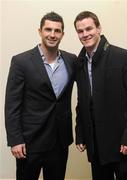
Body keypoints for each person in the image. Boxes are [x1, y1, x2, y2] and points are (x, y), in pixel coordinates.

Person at [74, 11, 127, 180]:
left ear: (99, 28)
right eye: (80, 31)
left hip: (123, 144)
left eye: (89, 28)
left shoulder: (124, 57)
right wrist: (81, 133)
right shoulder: (80, 63)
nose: (85, 34)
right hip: (96, 146)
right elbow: (83, 102)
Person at [5, 12, 76, 180]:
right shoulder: (21, 62)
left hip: (59, 142)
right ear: (40, 31)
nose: (52, 34)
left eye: (57, 31)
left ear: (62, 34)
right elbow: (12, 105)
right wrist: (15, 139)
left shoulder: (71, 60)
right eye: (48, 29)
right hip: (30, 143)